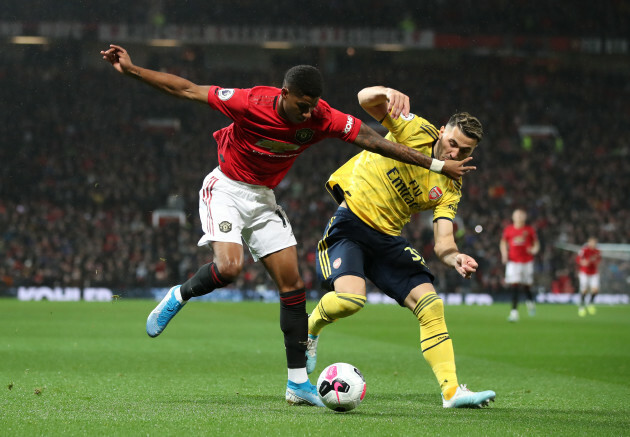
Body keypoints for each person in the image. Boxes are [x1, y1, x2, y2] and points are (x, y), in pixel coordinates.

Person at [100, 45, 475, 407]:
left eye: (313, 105)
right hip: (226, 188)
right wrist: (132, 70)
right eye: (301, 105)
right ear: (284, 94)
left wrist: (436, 167)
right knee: (229, 268)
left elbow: (372, 140)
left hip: (263, 199)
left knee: (293, 287)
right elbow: (186, 89)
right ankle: (179, 295)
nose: (308, 113)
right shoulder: (250, 102)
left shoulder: (321, 116)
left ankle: (297, 384)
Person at [306, 86, 495, 408]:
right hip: (351, 224)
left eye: (465, 151)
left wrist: (455, 257)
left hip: (388, 238)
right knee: (351, 300)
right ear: (441, 131)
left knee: (431, 305)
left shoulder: (451, 185)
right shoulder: (415, 129)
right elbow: (364, 99)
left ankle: (451, 392)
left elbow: (444, 242)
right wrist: (386, 92)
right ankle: (310, 328)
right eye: (453, 143)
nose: (455, 154)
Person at [500, 208, 540, 322]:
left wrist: (534, 250)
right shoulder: (508, 230)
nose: (519, 217)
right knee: (515, 285)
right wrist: (504, 254)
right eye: (517, 215)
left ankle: (530, 302)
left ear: (525, 217)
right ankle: (514, 312)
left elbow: (536, 244)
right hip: (513, 261)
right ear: (513, 217)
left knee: (526, 285)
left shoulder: (529, 230)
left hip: (527, 261)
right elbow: (503, 243)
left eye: (521, 215)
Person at [576, 237, 601, 317]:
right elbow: (578, 259)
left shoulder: (597, 251)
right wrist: (583, 262)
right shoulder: (584, 250)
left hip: (594, 273)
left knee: (595, 290)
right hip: (584, 273)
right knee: (584, 290)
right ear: (589, 243)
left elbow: (599, 261)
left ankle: (590, 303)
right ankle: (581, 306)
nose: (593, 244)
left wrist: (593, 262)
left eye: (594, 242)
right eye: (591, 242)